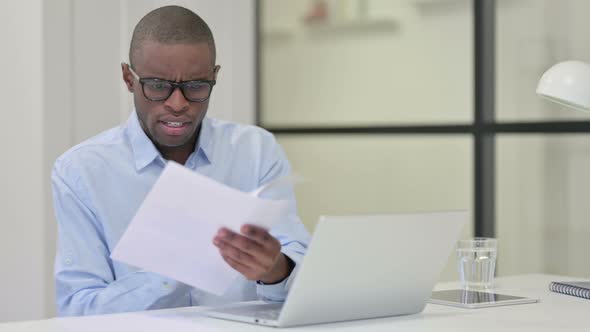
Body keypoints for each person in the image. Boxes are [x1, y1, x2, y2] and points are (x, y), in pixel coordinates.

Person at [52, 5, 310, 316]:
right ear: (128, 78)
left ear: (214, 77)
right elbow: (77, 309)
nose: (178, 104)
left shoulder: (256, 150)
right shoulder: (81, 171)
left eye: (196, 86)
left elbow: (303, 276)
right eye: (158, 86)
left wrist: (276, 269)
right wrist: (177, 267)